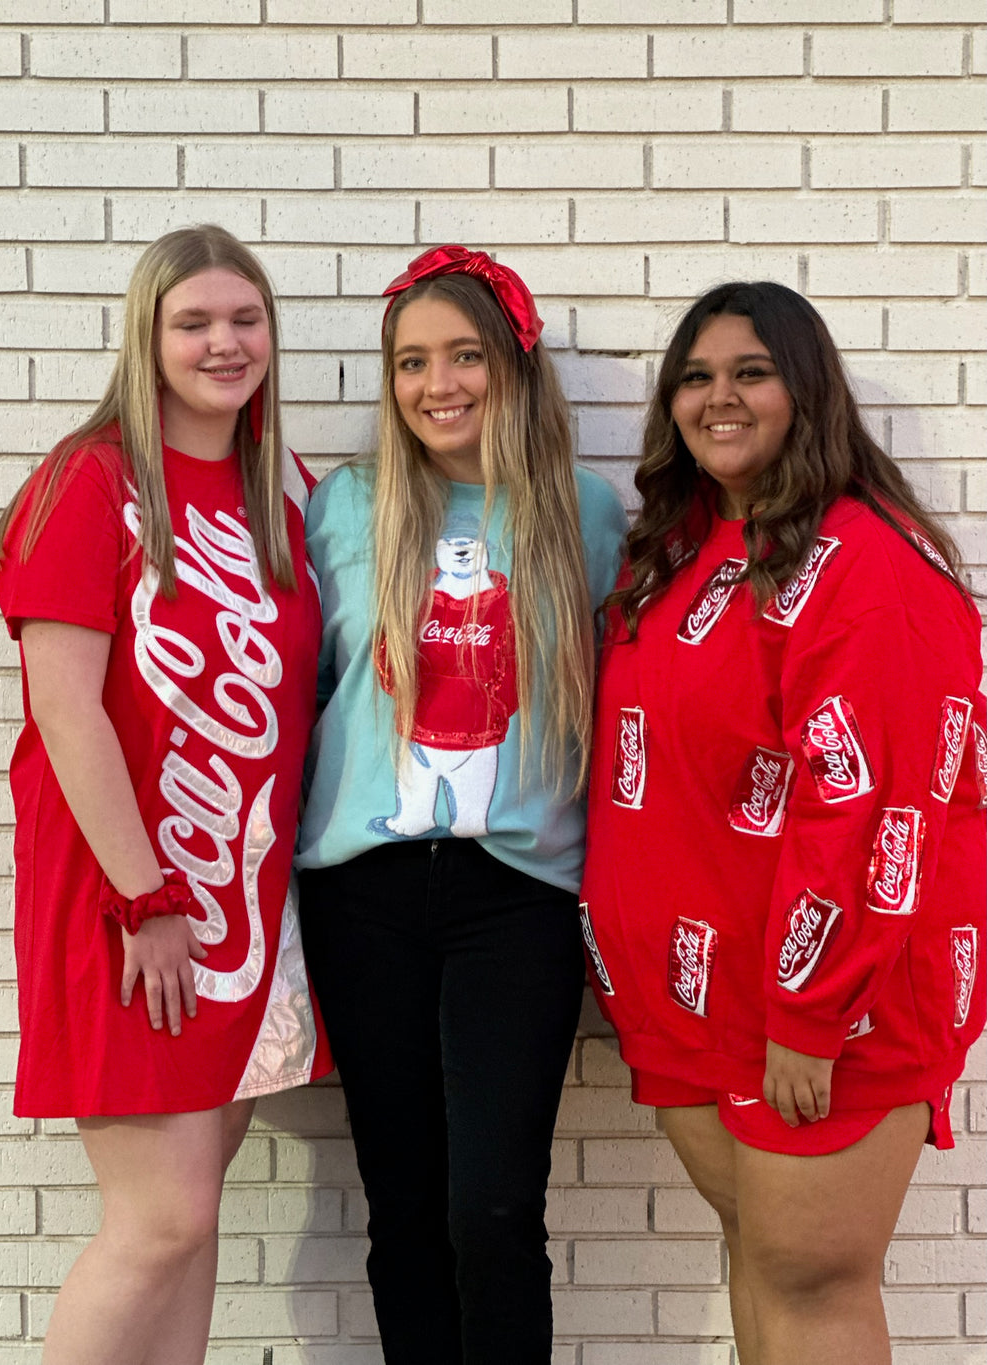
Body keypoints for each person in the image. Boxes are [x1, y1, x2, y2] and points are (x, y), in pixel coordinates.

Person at [579, 279, 986, 1365]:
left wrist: (810, 1013)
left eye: (751, 373)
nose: (719, 398)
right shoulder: (676, 553)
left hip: (816, 1017)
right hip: (695, 1004)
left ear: (807, 392)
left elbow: (873, 810)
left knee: (809, 1285)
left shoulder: (866, 568)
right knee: (762, 1267)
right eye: (696, 377)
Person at [0, 224, 331, 1365]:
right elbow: (66, 710)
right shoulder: (88, 482)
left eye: (246, 318)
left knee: (193, 1225)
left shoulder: (282, 490)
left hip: (236, 907)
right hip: (132, 901)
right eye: (193, 322)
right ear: (146, 339)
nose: (224, 343)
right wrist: (148, 896)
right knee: (159, 1220)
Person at [295, 244, 627, 1364]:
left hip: (518, 896)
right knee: (403, 1210)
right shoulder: (342, 505)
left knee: (492, 1209)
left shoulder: (582, 514)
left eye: (465, 355)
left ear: (514, 365)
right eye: (410, 362)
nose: (438, 384)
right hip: (362, 895)